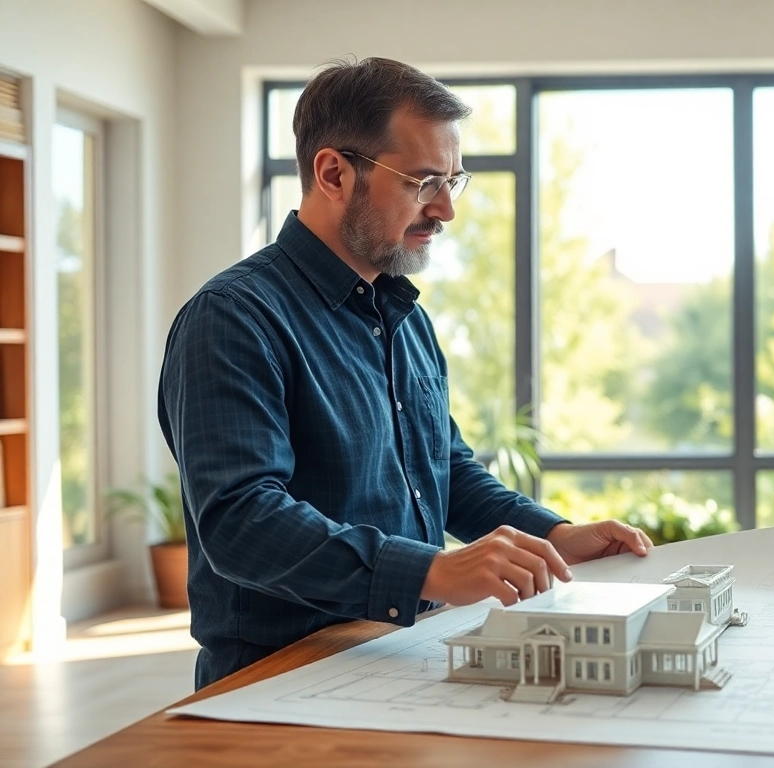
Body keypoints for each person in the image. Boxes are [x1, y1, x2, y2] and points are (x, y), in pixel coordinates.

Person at [157, 57, 653, 690]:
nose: (445, 209)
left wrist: (556, 534)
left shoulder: (404, 318)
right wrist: (431, 573)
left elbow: (444, 473)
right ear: (333, 172)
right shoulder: (232, 319)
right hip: (280, 682)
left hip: (404, 657)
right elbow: (241, 521)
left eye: (453, 181)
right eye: (422, 182)